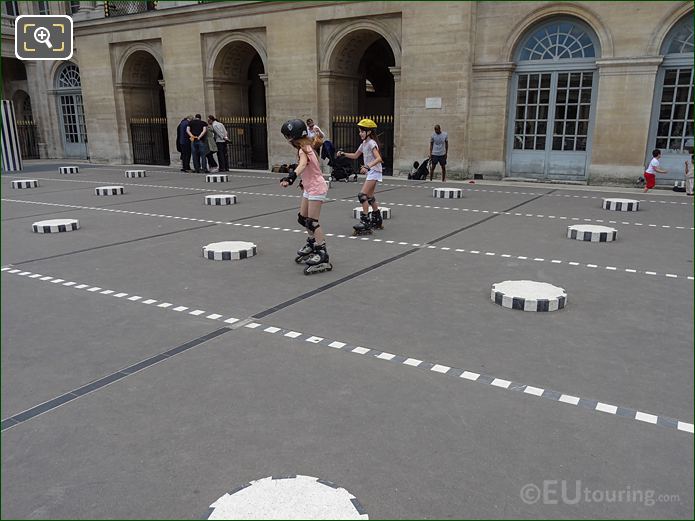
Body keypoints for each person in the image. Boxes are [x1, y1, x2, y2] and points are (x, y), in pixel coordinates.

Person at [280, 118, 332, 275]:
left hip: (317, 188)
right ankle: (311, 243)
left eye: (287, 137)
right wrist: (303, 181)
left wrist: (291, 177)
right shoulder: (305, 146)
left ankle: (322, 253)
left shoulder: (304, 149)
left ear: (292, 137)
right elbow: (307, 167)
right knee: (302, 219)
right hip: (310, 187)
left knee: (312, 222)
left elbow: (302, 165)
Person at [337, 118, 384, 235]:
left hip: (374, 172)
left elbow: (379, 159)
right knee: (370, 197)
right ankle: (377, 219)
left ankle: (365, 221)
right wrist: (343, 154)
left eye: (362, 131)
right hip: (371, 171)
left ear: (369, 132)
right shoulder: (364, 144)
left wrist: (367, 166)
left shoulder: (372, 143)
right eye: (359, 131)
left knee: (362, 195)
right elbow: (355, 155)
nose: (360, 133)